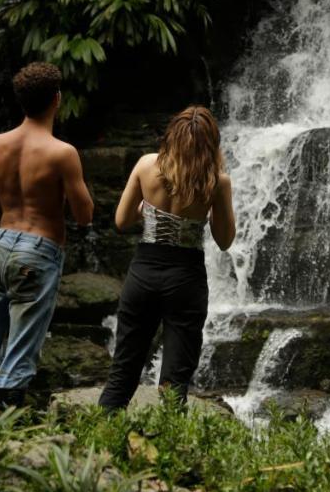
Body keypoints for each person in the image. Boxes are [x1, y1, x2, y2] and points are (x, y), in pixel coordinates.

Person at [0, 62, 94, 406]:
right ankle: (2, 419)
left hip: (0, 244)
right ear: (57, 100)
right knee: (22, 346)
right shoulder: (62, 153)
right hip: (38, 250)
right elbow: (85, 215)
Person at [98, 105, 236, 409]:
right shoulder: (217, 181)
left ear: (172, 135)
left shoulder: (147, 165)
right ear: (212, 143)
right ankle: (171, 450)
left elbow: (121, 221)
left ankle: (97, 444)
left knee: (124, 369)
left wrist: (152, 212)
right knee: (175, 380)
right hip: (186, 279)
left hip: (144, 273)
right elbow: (225, 240)